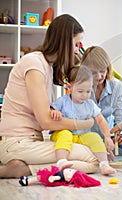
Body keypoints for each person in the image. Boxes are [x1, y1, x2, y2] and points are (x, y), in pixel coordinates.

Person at [0, 14, 99, 178]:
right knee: (92, 159)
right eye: (75, 44)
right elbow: (46, 121)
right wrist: (85, 123)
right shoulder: (34, 63)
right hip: (16, 143)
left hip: (30, 141)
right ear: (64, 42)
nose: (76, 50)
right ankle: (22, 169)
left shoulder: (47, 66)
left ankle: (23, 167)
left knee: (83, 152)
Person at [50, 66, 116, 175]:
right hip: (61, 133)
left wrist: (107, 136)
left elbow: (100, 120)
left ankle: (104, 164)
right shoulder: (62, 101)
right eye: (80, 91)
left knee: (95, 137)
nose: (85, 95)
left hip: (81, 135)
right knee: (65, 134)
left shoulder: (90, 104)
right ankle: (61, 161)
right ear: (69, 87)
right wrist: (54, 111)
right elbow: (51, 110)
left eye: (88, 91)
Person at [19, 166, 101, 187]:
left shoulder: (61, 177)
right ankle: (28, 179)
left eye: (70, 171)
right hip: (50, 175)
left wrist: (52, 178)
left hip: (49, 177)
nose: (69, 169)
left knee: (38, 178)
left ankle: (27, 182)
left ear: (68, 177)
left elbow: (56, 178)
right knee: (38, 177)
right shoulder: (62, 173)